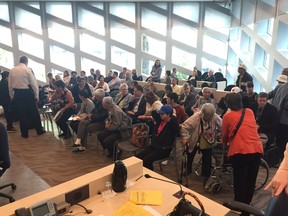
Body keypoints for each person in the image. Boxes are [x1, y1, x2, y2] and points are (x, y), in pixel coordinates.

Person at [222, 93, 263, 211]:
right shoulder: (249, 111)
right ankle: (247, 206)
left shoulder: (228, 116)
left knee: (240, 181)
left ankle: (238, 207)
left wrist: (225, 144)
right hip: (256, 149)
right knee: (251, 180)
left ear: (228, 104)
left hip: (240, 151)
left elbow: (224, 135)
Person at [181, 103, 222, 181]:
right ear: (203, 113)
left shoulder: (215, 116)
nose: (210, 118)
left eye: (211, 116)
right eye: (208, 116)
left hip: (208, 139)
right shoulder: (196, 117)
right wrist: (185, 137)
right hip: (195, 138)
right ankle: (188, 169)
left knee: (207, 156)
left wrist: (220, 134)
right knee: (190, 153)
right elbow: (184, 127)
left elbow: (222, 126)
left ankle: (206, 174)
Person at [8, 56, 45, 138]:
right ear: (26, 62)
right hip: (27, 93)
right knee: (34, 112)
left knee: (21, 114)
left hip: (17, 93)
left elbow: (10, 85)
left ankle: (24, 134)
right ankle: (39, 130)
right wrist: (36, 96)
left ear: (19, 61)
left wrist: (11, 96)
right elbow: (34, 84)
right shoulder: (27, 69)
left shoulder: (12, 70)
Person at [136, 105, 179, 170]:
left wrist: (173, 115)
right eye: (160, 113)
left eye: (162, 113)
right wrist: (161, 110)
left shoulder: (172, 124)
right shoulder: (160, 120)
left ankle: (148, 176)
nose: (160, 115)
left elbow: (177, 129)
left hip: (163, 149)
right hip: (154, 146)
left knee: (146, 161)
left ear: (168, 114)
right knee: (137, 158)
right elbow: (154, 113)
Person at [268, 79, 288, 160]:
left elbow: (268, 95)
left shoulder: (279, 87)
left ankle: (274, 159)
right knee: (283, 142)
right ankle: (280, 159)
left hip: (275, 118)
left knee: (277, 140)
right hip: (285, 121)